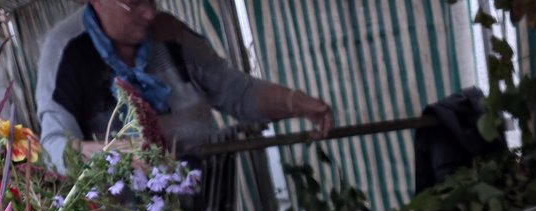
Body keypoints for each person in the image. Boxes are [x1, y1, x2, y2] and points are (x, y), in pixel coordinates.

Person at [36, 0, 333, 169]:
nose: (150, 13)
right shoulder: (66, 51)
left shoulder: (169, 34)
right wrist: (115, 154)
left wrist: (296, 103)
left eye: (151, 0)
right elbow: (54, 148)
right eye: (136, 3)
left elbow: (236, 92)